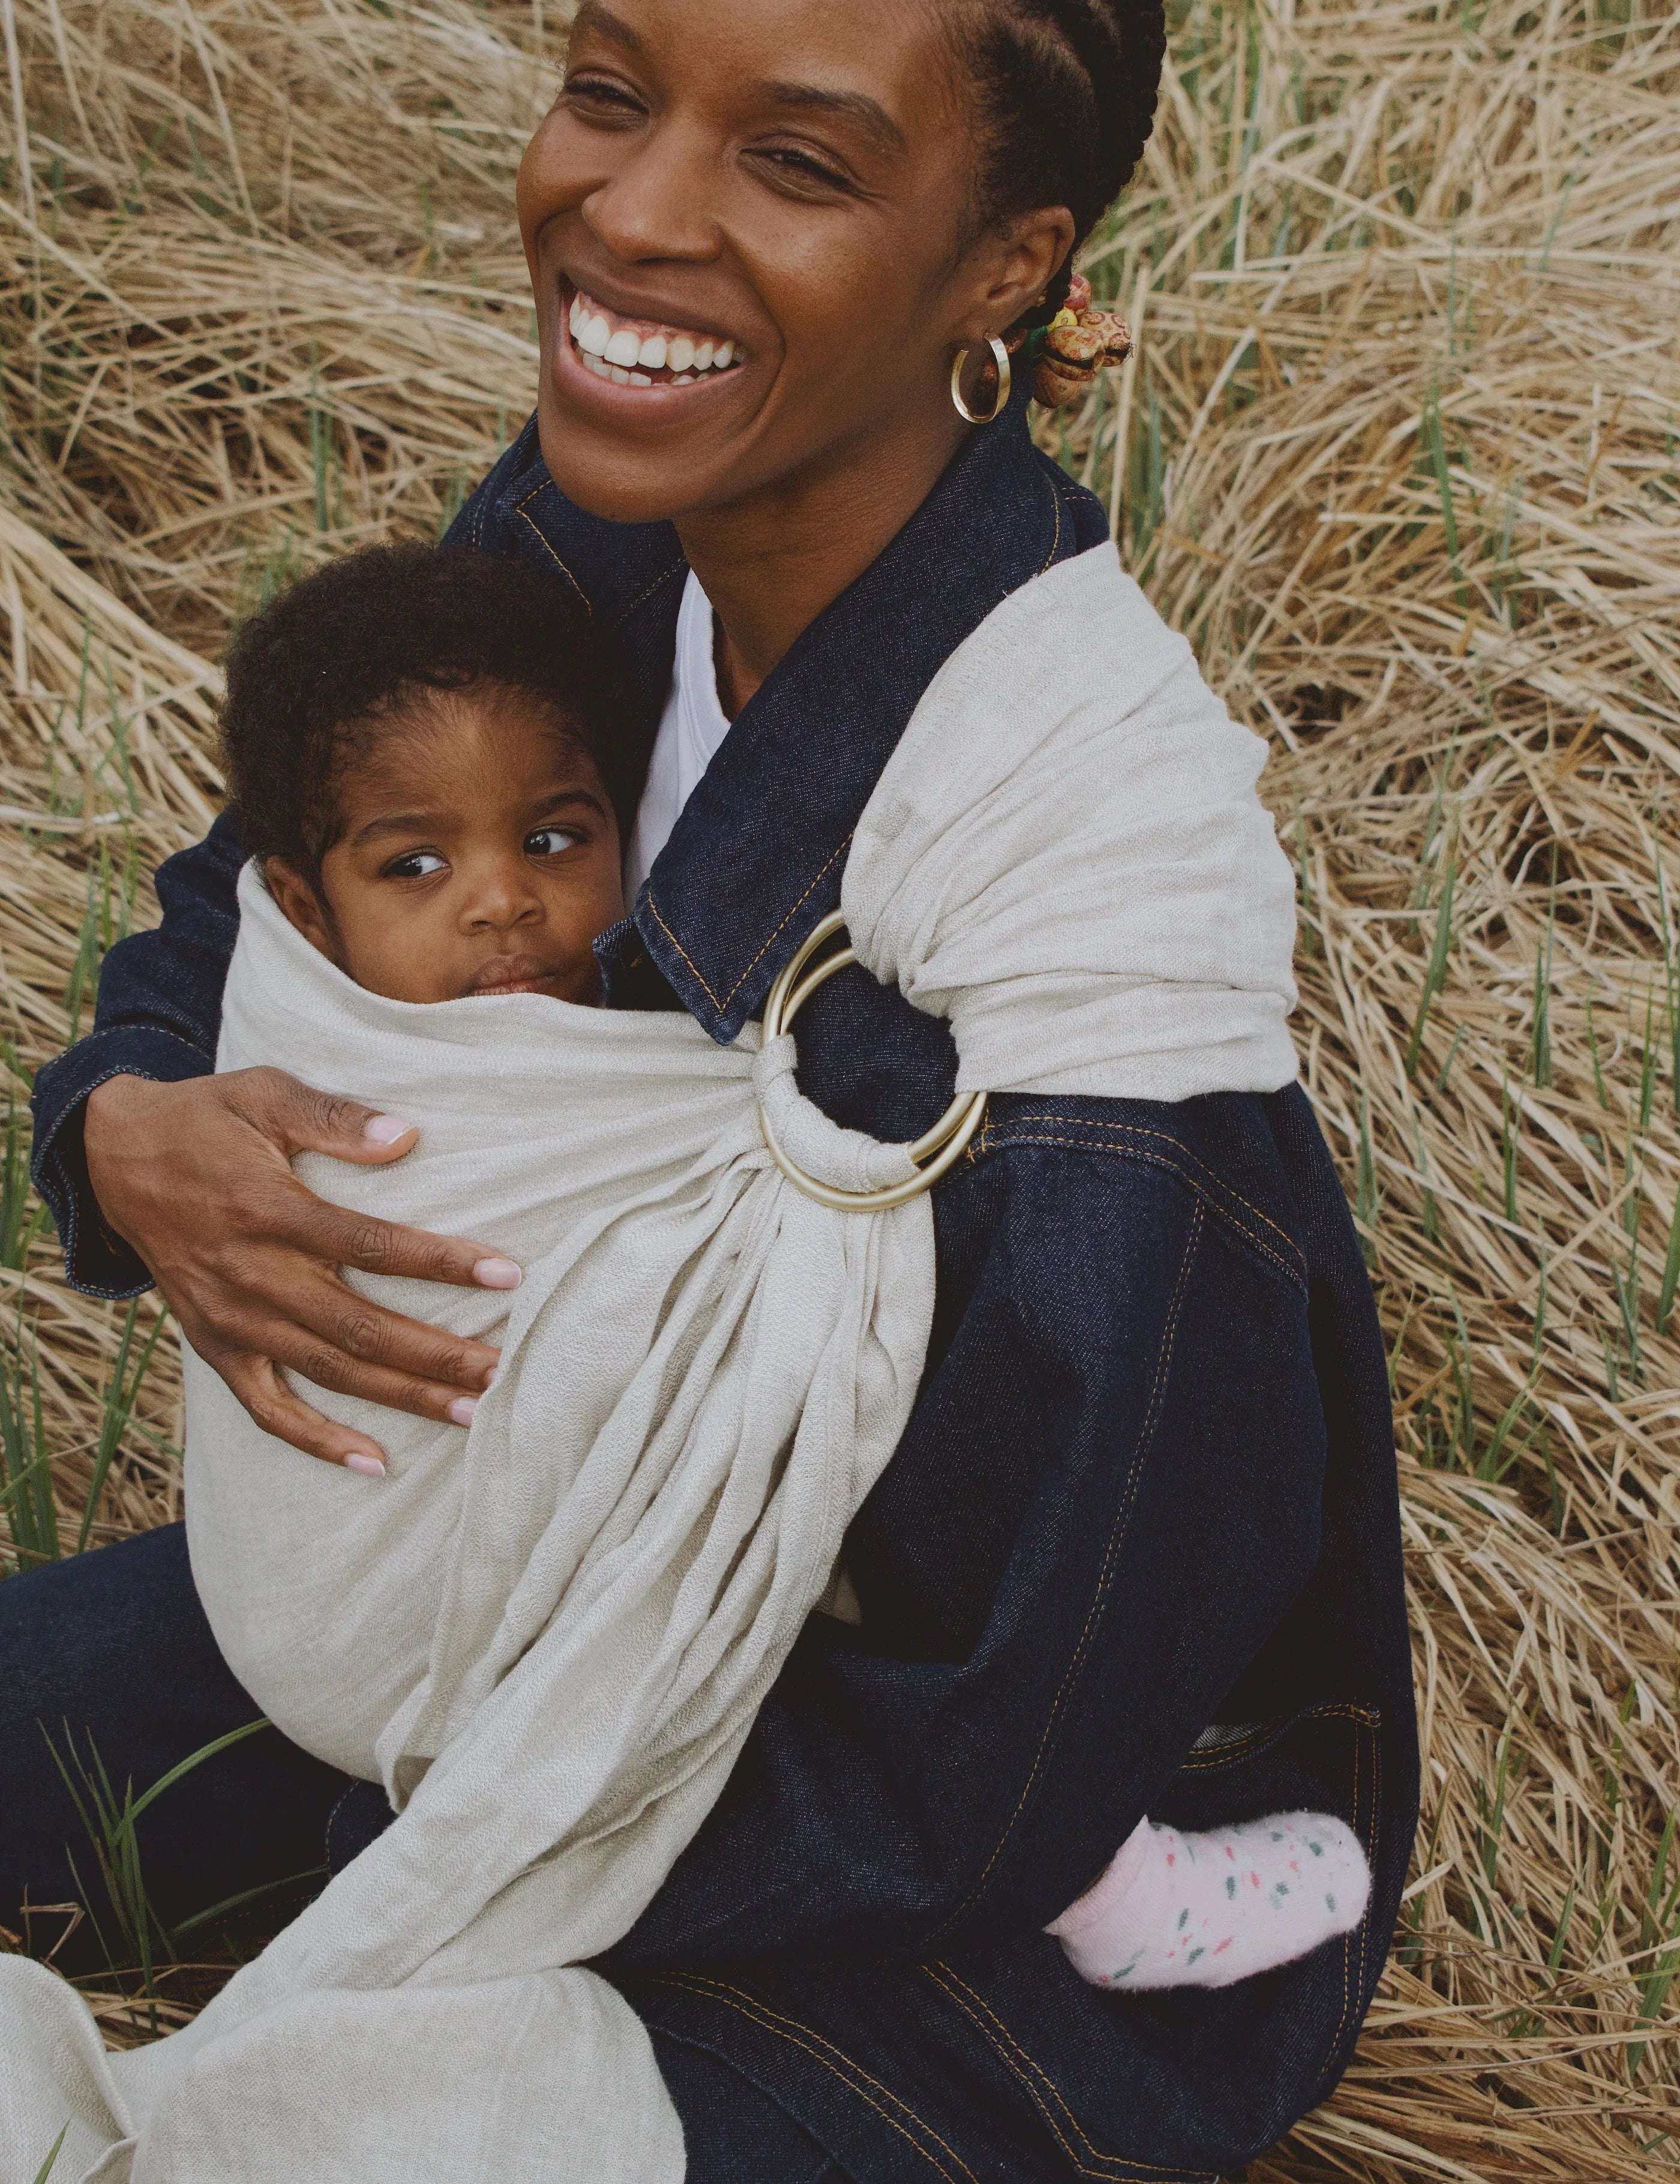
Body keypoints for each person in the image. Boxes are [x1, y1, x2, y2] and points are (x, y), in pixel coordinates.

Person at [6, 2, 1418, 2177]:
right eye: (609, 91)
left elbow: (1027, 1711)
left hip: (937, 1878)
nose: (633, 211)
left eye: (801, 161)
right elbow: (275, 869)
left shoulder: (1084, 902)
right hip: (514, 1585)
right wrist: (123, 1120)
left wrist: (461, 1832)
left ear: (1008, 266)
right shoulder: (606, 532)